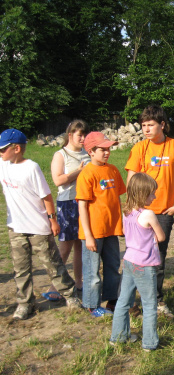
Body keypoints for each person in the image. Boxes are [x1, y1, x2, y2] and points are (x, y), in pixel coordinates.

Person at [0, 129, 80, 320]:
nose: (0, 153)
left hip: (37, 228)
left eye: (3, 149)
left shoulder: (32, 168)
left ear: (16, 148)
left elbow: (46, 197)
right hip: (15, 228)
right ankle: (25, 303)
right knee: (21, 269)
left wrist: (53, 220)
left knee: (52, 264)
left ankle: (70, 294)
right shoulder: (3, 165)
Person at [125, 105, 174, 318]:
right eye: (143, 125)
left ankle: (157, 300)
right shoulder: (139, 148)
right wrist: (133, 207)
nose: (146, 129)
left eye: (150, 125)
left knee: (158, 256)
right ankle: (131, 300)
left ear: (162, 125)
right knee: (137, 255)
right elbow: (132, 178)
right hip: (141, 212)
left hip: (164, 211)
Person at [110, 173, 165, 351]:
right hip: (145, 264)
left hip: (129, 261)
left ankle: (118, 337)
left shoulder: (126, 210)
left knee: (123, 301)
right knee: (149, 305)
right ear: (142, 194)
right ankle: (149, 343)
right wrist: (155, 237)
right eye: (151, 194)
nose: (154, 196)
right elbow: (161, 236)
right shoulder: (148, 214)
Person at [76, 131, 126, 317]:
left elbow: (117, 199)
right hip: (94, 233)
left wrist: (123, 223)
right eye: (102, 149)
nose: (107, 152)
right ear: (90, 151)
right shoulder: (86, 174)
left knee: (113, 266)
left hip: (111, 229)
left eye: (108, 149)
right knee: (93, 271)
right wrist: (88, 235)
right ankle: (91, 304)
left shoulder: (112, 170)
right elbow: (82, 206)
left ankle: (112, 300)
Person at [43, 120, 90, 301]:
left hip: (84, 203)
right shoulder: (61, 154)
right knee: (65, 247)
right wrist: (78, 172)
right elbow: (58, 180)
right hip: (67, 204)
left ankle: (78, 283)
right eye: (80, 135)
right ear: (70, 135)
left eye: (85, 135)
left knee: (81, 246)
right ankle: (54, 286)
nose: (83, 138)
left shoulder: (87, 153)